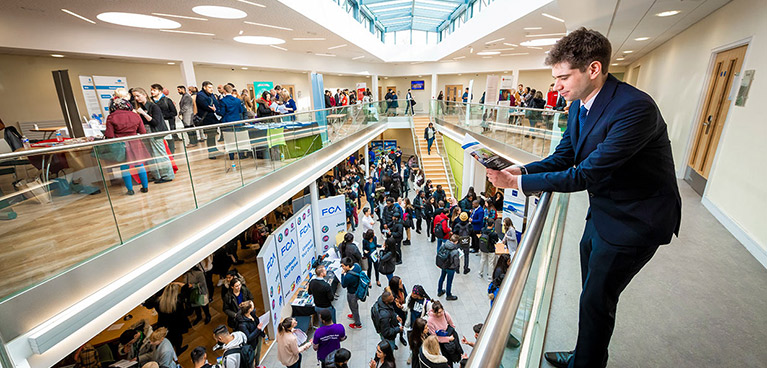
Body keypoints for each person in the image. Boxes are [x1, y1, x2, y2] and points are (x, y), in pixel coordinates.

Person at [485, 27, 681, 368]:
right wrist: (520, 171)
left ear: (593, 69)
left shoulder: (635, 109)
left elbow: (585, 173)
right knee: (591, 295)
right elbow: (565, 156)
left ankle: (587, 363)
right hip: (603, 213)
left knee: (596, 300)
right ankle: (583, 354)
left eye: (563, 78)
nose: (556, 87)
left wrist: (516, 185)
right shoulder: (578, 105)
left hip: (635, 221)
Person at [104, 96, 151, 195]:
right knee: (139, 164)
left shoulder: (111, 117)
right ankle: (145, 187)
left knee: (124, 167)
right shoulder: (135, 115)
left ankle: (130, 190)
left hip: (121, 144)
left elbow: (109, 135)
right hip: (136, 142)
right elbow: (142, 131)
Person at [132, 88, 175, 183]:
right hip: (147, 134)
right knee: (151, 156)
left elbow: (155, 122)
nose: (136, 98)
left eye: (138, 96)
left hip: (156, 133)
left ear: (144, 95)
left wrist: (143, 113)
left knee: (160, 155)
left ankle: (167, 175)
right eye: (135, 96)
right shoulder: (141, 108)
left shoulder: (153, 107)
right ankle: (157, 175)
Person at [152, 283, 190, 353]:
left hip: (165, 325)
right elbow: (187, 287)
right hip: (176, 325)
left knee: (169, 340)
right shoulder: (178, 302)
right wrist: (177, 283)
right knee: (178, 337)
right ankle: (178, 349)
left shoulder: (158, 302)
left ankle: (171, 351)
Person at [195, 81, 222, 158]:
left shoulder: (211, 95)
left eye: (212, 87)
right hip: (206, 119)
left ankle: (214, 150)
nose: (211, 89)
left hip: (213, 118)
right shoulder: (200, 95)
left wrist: (214, 108)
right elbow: (206, 106)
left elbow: (216, 104)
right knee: (210, 136)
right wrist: (213, 108)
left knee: (213, 135)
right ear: (204, 87)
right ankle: (211, 153)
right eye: (209, 87)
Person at [235, 300, 266, 365]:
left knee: (258, 352)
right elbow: (248, 338)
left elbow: (256, 321)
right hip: (251, 345)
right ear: (249, 309)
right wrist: (258, 329)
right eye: (252, 306)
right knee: (252, 358)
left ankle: (257, 365)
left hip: (257, 337)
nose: (254, 307)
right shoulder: (242, 324)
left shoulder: (252, 313)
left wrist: (261, 329)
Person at [385, 276, 409, 346]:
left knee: (402, 326)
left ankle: (401, 337)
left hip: (403, 312)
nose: (402, 284)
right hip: (395, 315)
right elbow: (389, 307)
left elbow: (406, 297)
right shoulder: (390, 296)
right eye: (400, 283)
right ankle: (393, 342)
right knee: (394, 328)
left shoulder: (402, 288)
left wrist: (403, 305)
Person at [340, 257, 363, 329]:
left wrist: (342, 275)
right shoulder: (357, 265)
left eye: (343, 266)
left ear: (347, 266)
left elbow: (343, 285)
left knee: (354, 307)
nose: (342, 267)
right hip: (358, 289)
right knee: (354, 306)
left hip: (352, 293)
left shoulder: (348, 276)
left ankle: (357, 323)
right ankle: (354, 315)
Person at [437, 235, 461, 301]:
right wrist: (457, 268)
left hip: (444, 265)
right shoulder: (455, 251)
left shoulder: (444, 245)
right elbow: (456, 262)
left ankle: (439, 291)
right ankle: (448, 295)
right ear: (456, 242)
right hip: (451, 267)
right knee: (449, 281)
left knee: (442, 277)